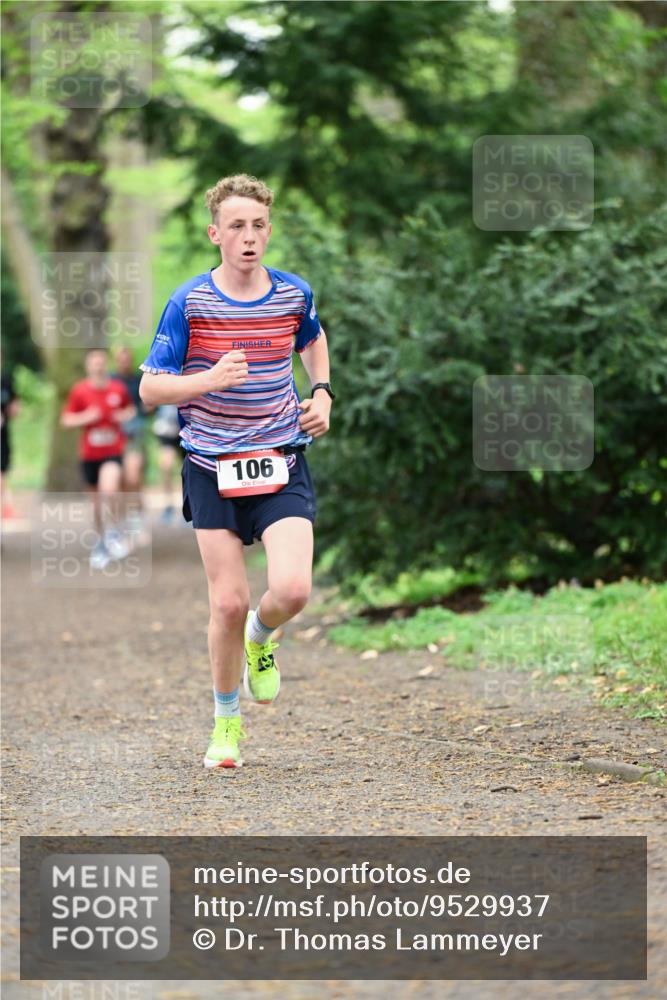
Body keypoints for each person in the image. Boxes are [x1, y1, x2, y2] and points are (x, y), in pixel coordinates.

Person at [139, 173, 333, 769]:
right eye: (236, 227)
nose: (248, 237)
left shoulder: (292, 293)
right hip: (210, 463)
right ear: (215, 234)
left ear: (268, 231)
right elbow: (150, 388)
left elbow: (312, 337)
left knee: (294, 590)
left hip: (280, 455)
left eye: (258, 226)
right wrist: (208, 380)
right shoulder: (190, 301)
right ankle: (226, 723)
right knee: (226, 601)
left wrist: (322, 392)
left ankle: (262, 637)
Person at [61, 347, 136, 569]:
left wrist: (122, 415)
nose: (98, 365)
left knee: (109, 490)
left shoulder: (117, 388)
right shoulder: (79, 391)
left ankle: (115, 532)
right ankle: (101, 542)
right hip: (89, 454)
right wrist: (86, 417)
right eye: (94, 362)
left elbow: (130, 410)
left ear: (106, 364)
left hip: (113, 451)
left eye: (101, 361)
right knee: (95, 505)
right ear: (88, 366)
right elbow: (66, 420)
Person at [112, 344, 150, 529]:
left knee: (133, 477)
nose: (124, 362)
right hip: (115, 434)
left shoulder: (139, 379)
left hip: (136, 431)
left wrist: (138, 410)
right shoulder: (111, 381)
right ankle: (121, 521)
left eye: (127, 358)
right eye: (121, 359)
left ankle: (138, 515)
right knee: (118, 479)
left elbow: (150, 405)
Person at [151, 404, 183, 522]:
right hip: (167, 431)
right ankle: (168, 505)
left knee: (187, 470)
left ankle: (188, 505)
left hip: (186, 429)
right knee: (166, 467)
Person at [1, 358, 20, 520]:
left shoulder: (6, 381)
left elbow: (14, 408)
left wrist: (12, 411)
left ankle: (7, 505)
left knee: (2, 472)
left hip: (2, 436)